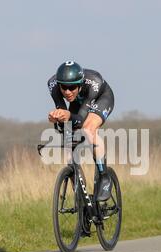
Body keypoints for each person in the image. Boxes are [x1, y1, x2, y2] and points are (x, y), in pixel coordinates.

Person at [47, 60, 114, 201]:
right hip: (79, 104)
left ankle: (104, 176)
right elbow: (63, 112)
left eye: (72, 88)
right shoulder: (52, 85)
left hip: (100, 99)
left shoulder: (93, 82)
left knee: (88, 129)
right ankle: (80, 196)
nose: (67, 92)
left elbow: (80, 119)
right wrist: (56, 117)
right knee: (68, 141)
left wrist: (68, 115)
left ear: (80, 83)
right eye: (63, 87)